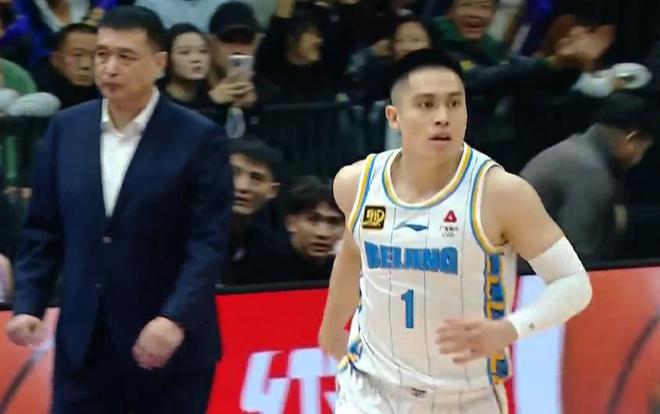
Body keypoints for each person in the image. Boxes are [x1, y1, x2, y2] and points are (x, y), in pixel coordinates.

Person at [318, 49, 593, 412]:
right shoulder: (356, 183)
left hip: (465, 399)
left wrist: (511, 328)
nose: (442, 117)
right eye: (426, 105)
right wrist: (330, 328)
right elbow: (354, 255)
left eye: (454, 103)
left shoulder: (501, 193)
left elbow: (573, 283)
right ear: (394, 117)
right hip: (370, 390)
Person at [4, 6, 232, 414]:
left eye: (125, 56)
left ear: (159, 63)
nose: (110, 68)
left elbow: (208, 242)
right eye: (102, 54)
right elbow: (42, 229)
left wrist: (174, 318)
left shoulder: (199, 138)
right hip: (83, 346)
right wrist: (28, 304)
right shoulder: (66, 129)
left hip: (168, 347)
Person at [520, 91, 658, 265]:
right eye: (643, 150)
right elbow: (579, 254)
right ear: (632, 139)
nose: (639, 159)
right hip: (524, 274)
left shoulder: (575, 151)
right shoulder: (589, 171)